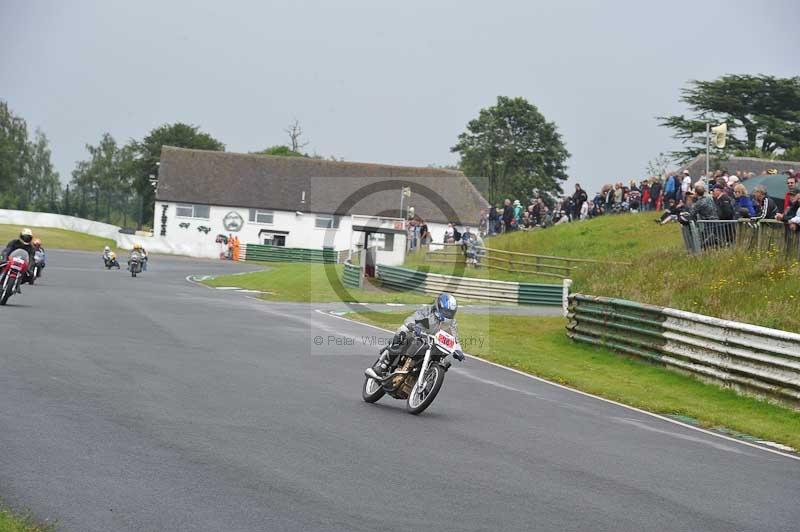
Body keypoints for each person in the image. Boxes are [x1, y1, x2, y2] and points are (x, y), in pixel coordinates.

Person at [365, 293, 464, 380]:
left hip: (432, 344)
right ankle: (383, 364)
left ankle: (426, 378)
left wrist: (458, 350)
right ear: (439, 307)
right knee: (403, 333)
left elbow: (454, 338)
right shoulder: (427, 311)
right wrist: (413, 325)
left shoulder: (451, 323)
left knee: (444, 361)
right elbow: (412, 318)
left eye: (450, 313)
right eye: (446, 312)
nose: (448, 314)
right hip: (417, 334)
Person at [2, 228, 35, 292]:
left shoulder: (31, 248)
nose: (26, 238)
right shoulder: (14, 242)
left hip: (22, 264)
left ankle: (17, 283)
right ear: (21, 236)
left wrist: (29, 268)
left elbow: (31, 259)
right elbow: (7, 251)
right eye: (25, 237)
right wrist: (4, 258)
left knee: (30, 275)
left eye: (28, 237)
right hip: (9, 260)